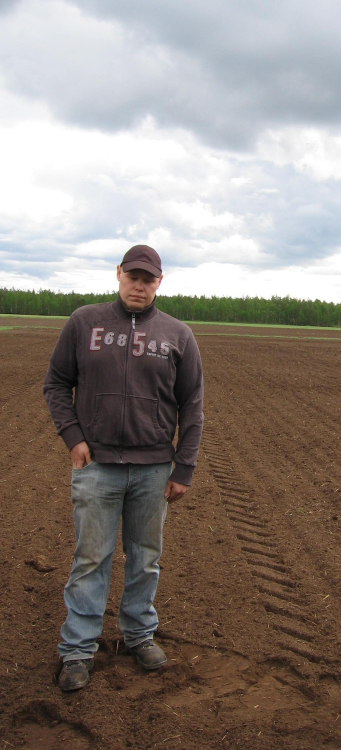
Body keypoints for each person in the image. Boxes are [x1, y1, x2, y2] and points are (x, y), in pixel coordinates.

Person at [44, 245, 204, 692]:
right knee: (90, 558)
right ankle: (78, 648)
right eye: (132, 275)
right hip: (97, 466)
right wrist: (73, 438)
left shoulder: (178, 334)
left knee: (145, 559)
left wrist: (183, 468)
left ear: (159, 282)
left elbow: (192, 407)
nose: (139, 284)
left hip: (154, 468)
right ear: (118, 274)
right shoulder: (84, 322)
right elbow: (56, 382)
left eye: (148, 278)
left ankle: (138, 634)